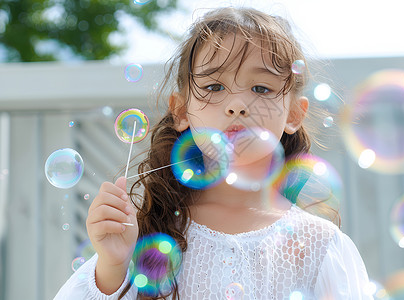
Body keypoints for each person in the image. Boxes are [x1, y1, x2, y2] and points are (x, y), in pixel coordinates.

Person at [55, 6, 373, 300]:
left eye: (261, 88)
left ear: (293, 115)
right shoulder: (145, 231)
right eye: (213, 87)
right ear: (180, 111)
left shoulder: (318, 244)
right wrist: (112, 267)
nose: (236, 105)